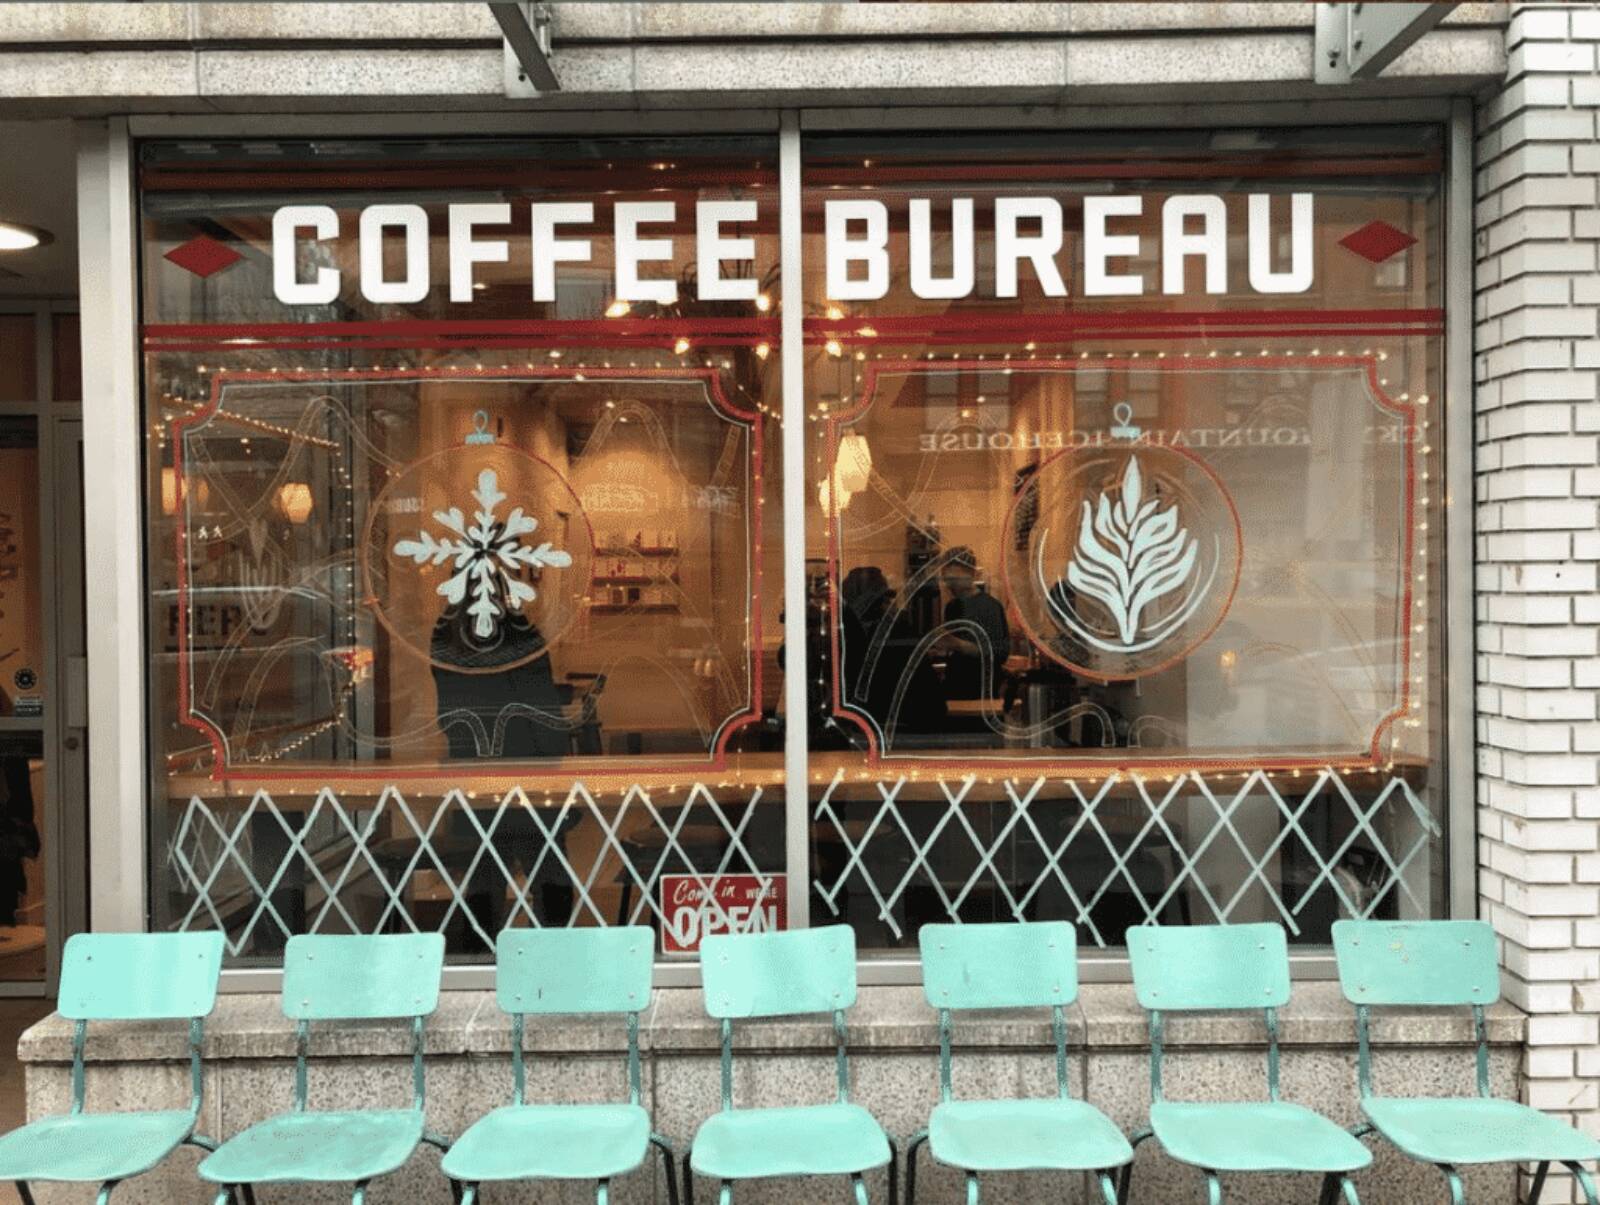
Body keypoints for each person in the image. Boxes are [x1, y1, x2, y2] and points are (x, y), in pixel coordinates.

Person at [939, 546, 1009, 701]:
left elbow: (999, 653)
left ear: (970, 574)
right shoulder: (952, 606)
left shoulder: (990, 607)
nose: (950, 585)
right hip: (955, 688)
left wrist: (958, 644)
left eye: (954, 579)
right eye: (947, 580)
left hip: (981, 692)